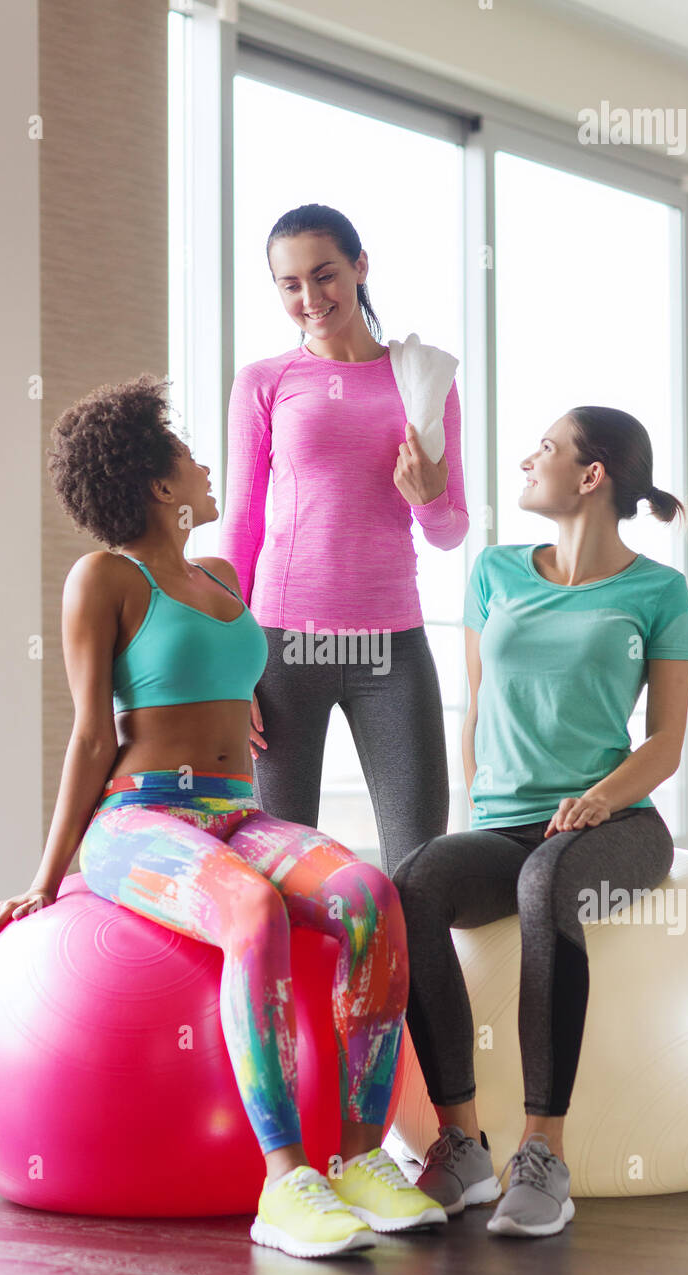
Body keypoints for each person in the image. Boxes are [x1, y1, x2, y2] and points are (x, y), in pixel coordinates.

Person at [0, 373, 446, 1259]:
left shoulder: (222, 573)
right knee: (253, 912)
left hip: (237, 812)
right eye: (187, 456)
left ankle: (355, 1161)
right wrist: (46, 877)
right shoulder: (103, 578)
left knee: (371, 893)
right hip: (138, 820)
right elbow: (87, 737)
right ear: (158, 485)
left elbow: (238, 678)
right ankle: (284, 1183)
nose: (205, 466)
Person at [392, 406, 688, 1237]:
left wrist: (601, 798)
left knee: (546, 878)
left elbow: (666, 741)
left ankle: (543, 1155)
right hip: (508, 822)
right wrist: (476, 807)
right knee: (413, 882)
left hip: (618, 824)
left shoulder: (658, 592)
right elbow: (477, 705)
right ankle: (460, 1145)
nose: (529, 459)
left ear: (591, 476)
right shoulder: (494, 572)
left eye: (547, 448)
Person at [219, 203, 468, 877]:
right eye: (289, 283)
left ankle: (410, 988)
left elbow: (450, 532)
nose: (310, 297)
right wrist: (232, 663)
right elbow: (239, 528)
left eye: (324, 274)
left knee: (420, 869)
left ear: (360, 267)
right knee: (278, 866)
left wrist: (428, 497)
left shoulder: (424, 380)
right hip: (281, 646)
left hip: (392, 645)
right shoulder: (264, 383)